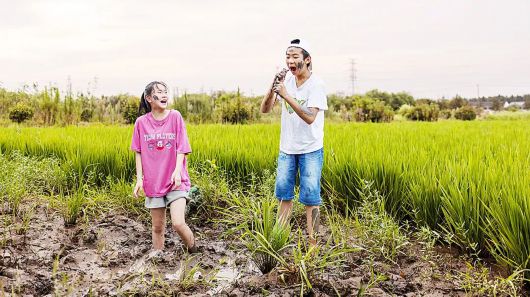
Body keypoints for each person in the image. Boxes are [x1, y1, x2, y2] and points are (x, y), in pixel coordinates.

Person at [260, 39, 328, 245]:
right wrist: (273, 86)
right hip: (287, 149)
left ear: (307, 60)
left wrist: (287, 95)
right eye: (287, 57)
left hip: (310, 149)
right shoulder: (285, 83)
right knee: (283, 196)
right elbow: (265, 109)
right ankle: (280, 240)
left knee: (311, 198)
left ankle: (313, 244)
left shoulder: (316, 85)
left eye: (295, 56)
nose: (290, 60)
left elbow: (310, 117)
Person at [131, 81, 197, 254]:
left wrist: (177, 171)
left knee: (178, 223)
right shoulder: (141, 123)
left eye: (165, 91)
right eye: (159, 92)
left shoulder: (175, 116)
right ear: (149, 98)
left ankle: (194, 252)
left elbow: (182, 147)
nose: (164, 95)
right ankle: (158, 262)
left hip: (175, 180)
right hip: (153, 182)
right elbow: (138, 151)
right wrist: (139, 179)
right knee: (157, 228)